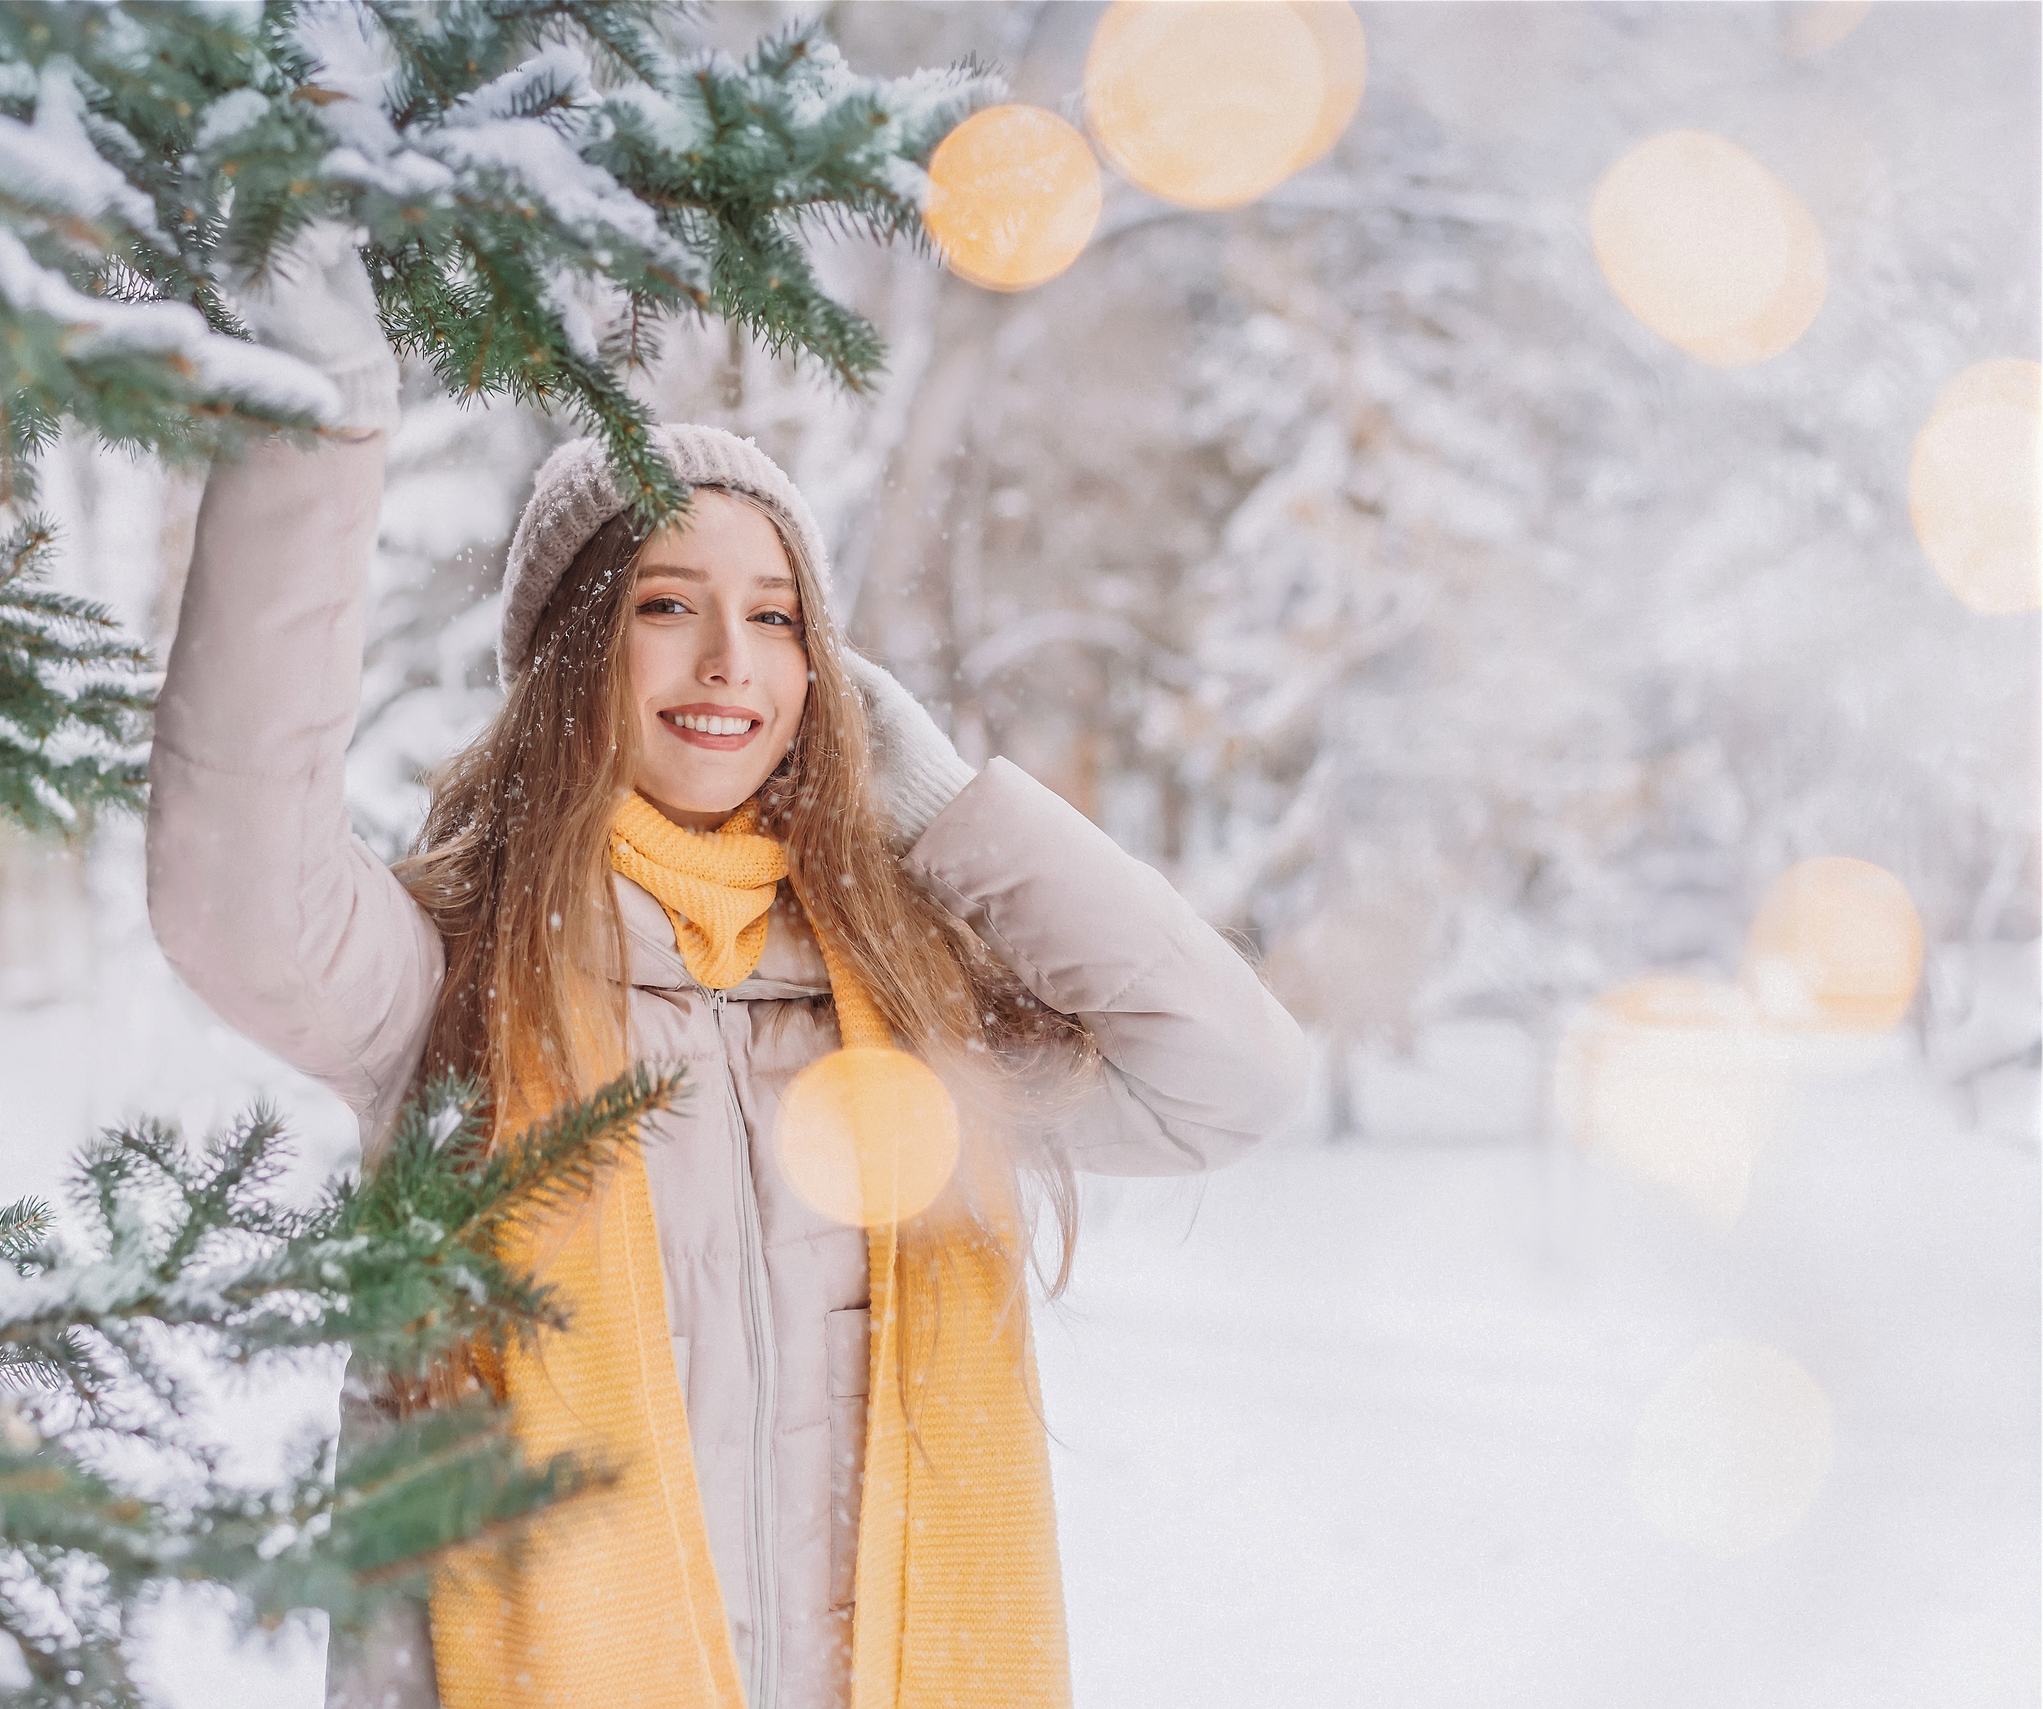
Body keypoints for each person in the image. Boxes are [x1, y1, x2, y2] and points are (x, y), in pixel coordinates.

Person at [147, 228, 1310, 1709]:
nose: (728, 663)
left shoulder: (908, 1013)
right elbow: (229, 888)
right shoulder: (450, 986)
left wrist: (942, 805)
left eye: (775, 618)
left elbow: (1236, 1077)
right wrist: (315, 411)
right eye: (664, 603)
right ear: (572, 657)